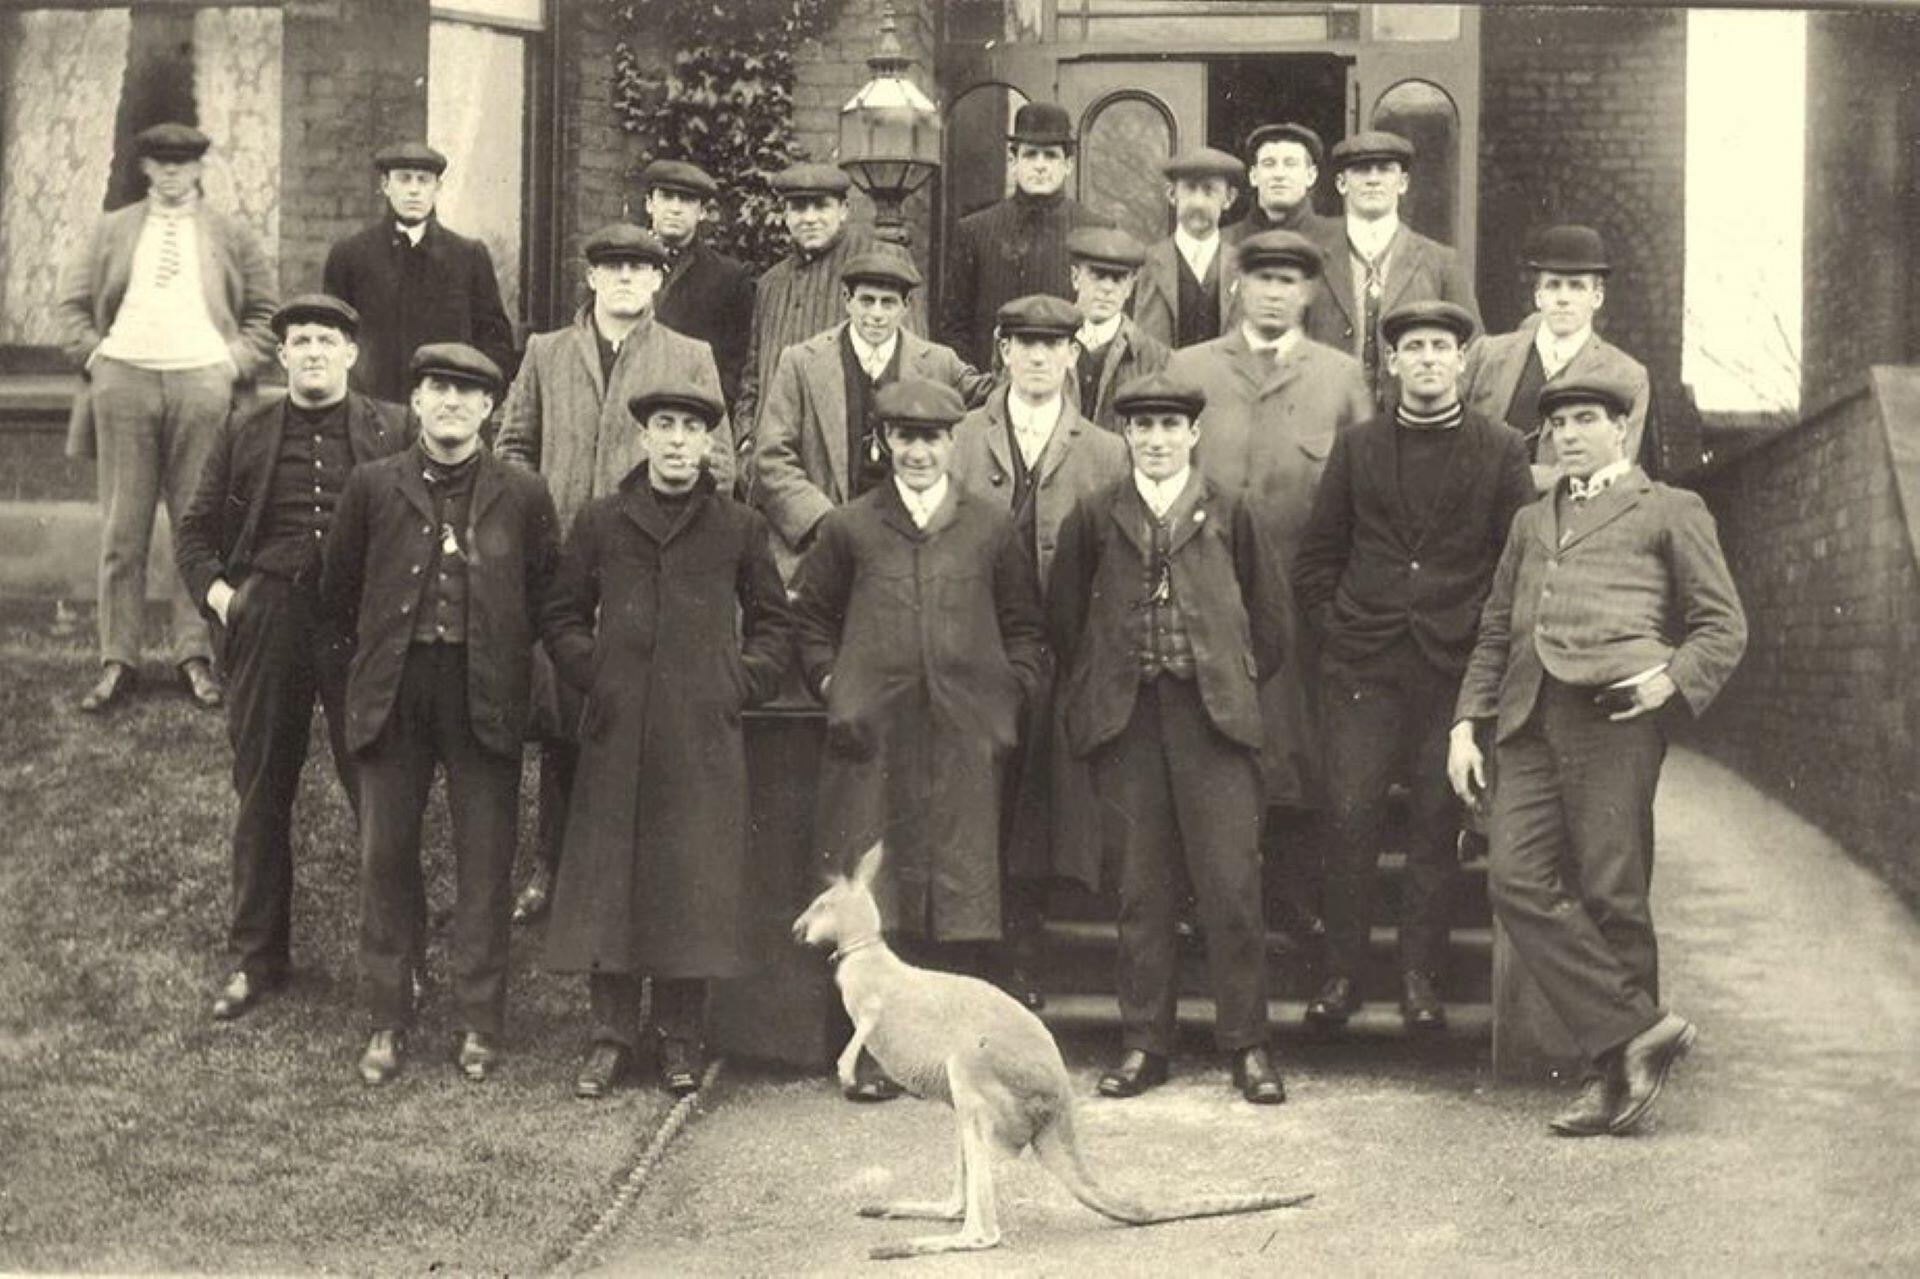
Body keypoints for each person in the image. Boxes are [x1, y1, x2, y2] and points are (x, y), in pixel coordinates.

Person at [1447, 374, 1746, 1136]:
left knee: (1613, 888)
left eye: (1587, 419)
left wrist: (1667, 684)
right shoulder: (1529, 520)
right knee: (1515, 879)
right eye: (1559, 424)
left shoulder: (1669, 509)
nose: (1570, 433)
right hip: (1526, 718)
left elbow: (1723, 625)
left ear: (1623, 427)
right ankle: (1637, 1030)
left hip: (1615, 717)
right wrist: (1464, 725)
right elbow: (1494, 629)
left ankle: (1612, 1075)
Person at [790, 378, 1047, 1101]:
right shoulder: (850, 527)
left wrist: (1007, 694)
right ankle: (871, 1053)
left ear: (951, 444)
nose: (918, 451)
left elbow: (1025, 627)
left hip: (964, 734)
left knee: (959, 885)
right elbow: (811, 624)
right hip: (876, 737)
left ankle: (956, 1055)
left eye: (932, 438)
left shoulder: (990, 526)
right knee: (880, 889)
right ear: (885, 443)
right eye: (904, 437)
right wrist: (836, 686)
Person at [321, 343, 564, 1087]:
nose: (451, 402)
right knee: (384, 857)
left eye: (467, 391)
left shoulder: (522, 493)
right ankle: (387, 1020)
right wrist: (361, 681)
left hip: (482, 690)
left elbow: (545, 597)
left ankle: (478, 1023)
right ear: (416, 401)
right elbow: (337, 594)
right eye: (437, 388)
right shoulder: (373, 485)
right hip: (395, 692)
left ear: (489, 407)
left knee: (485, 863)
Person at [543, 380, 791, 1100]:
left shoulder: (737, 527)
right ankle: (611, 1035)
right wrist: (597, 673)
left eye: (691, 428)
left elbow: (774, 624)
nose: (678, 440)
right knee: (611, 881)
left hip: (700, 735)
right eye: (664, 426)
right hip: (618, 734)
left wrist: (738, 682)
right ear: (643, 438)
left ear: (710, 443)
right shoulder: (601, 520)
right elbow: (560, 614)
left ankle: (681, 1036)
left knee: (691, 882)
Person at [1048, 371, 1292, 1104]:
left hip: (1213, 720)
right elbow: (1065, 622)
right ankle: (1143, 1043)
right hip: (1130, 724)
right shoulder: (1095, 517)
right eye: (1142, 427)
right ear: (1127, 436)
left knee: (1230, 886)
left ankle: (1247, 1046)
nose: (1156, 440)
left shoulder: (1231, 512)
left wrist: (1222, 674)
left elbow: (1272, 625)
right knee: (1142, 889)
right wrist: (1111, 681)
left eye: (1169, 427)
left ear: (1194, 434)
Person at [1292, 301, 1534, 1033]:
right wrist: (1342, 635)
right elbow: (1315, 562)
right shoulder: (1359, 446)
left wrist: (1479, 664)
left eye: (1441, 347)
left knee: (1434, 825)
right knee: (1350, 817)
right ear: (1391, 362)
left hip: (1453, 670)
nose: (1428, 359)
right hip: (1363, 667)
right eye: (1413, 347)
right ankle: (1341, 973)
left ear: (1462, 360)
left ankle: (1419, 978)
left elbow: (1515, 564)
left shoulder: (1500, 448)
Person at [176, 295, 410, 1021]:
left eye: (327, 339)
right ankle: (256, 957)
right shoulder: (246, 428)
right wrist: (225, 600)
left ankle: (400, 959)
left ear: (351, 353)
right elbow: (194, 532)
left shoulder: (392, 426)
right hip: (269, 616)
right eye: (300, 340)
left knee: (374, 789)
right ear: (282, 356)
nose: (313, 351)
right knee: (262, 786)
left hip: (355, 625)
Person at [494, 221, 733, 925]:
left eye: (641, 267)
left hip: (651, 561)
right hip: (566, 555)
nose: (627, 278)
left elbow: (718, 463)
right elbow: (513, 444)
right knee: (565, 709)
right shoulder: (547, 352)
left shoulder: (688, 355)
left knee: (641, 714)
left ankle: (637, 862)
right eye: (612, 266)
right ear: (591, 277)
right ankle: (550, 861)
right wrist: (538, 526)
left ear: (660, 280)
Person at [56, 121, 277, 714]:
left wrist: (232, 362)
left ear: (200, 169)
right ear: (146, 169)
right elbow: (71, 306)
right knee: (122, 529)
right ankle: (117, 660)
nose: (174, 173)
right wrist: (97, 357)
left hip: (203, 383)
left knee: (195, 527)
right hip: (124, 380)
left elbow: (265, 311)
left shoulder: (230, 233)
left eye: (185, 163)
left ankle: (194, 656)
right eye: (162, 162)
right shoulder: (112, 230)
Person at [949, 293, 1131, 1007]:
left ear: (1071, 355)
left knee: (1040, 800)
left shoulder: (1105, 451)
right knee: (975, 795)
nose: (1035, 357)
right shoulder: (961, 438)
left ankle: (1022, 952)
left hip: (1059, 653)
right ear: (1002, 352)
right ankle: (972, 953)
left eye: (1051, 345)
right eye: (1022, 342)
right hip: (973, 646)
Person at [1165, 229, 1370, 821]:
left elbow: (1362, 491)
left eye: (1287, 282)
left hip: (1299, 593)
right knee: (1204, 738)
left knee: (1293, 742)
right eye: (1262, 280)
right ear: (1238, 285)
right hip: (1205, 587)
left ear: (1307, 292)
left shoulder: (1340, 376)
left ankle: (1290, 889)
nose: (1274, 294)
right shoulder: (1191, 367)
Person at [752, 251, 986, 583]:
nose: (876, 314)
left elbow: (991, 400)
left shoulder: (937, 362)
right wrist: (825, 524)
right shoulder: (802, 362)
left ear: (905, 307)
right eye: (867, 301)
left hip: (911, 548)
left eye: (888, 303)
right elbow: (772, 458)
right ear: (847, 300)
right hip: (822, 546)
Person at [734, 162, 925, 448]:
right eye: (799, 207)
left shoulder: (882, 260)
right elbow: (753, 373)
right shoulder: (771, 283)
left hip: (844, 450)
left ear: (844, 210)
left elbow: (914, 360)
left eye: (821, 206)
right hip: (774, 450)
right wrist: (746, 436)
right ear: (785, 214)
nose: (809, 218)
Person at [1460, 224, 1653, 491]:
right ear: (1538, 296)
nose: (1563, 298)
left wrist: (1520, 477)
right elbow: (1451, 446)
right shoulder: (1487, 355)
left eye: (1576, 287)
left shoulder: (1626, 376)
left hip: (1567, 524)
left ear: (1597, 297)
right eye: (1553, 286)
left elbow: (1613, 473)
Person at [321, 141, 515, 403]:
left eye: (423, 181)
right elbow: (332, 339)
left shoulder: (468, 256)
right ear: (386, 186)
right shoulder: (350, 255)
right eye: (404, 180)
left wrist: (479, 401)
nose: (414, 190)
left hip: (448, 410)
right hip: (372, 413)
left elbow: (496, 345)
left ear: (437, 188)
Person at [1306, 131, 1480, 405]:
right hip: (1328, 425)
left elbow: (1473, 356)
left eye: (1385, 170)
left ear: (1402, 183)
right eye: (1361, 170)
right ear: (1341, 183)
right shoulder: (1312, 260)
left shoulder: (1442, 262)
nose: (1373, 179)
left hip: (1412, 426)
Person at [939, 102, 1113, 369]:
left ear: (1068, 165)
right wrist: (979, 388)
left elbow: (1107, 320)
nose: (1040, 166)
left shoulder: (1097, 232)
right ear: (1013, 162)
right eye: (1031, 155)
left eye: (1051, 156)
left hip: (1073, 388)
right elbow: (954, 327)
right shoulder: (975, 231)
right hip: (993, 392)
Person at [642, 159, 756, 410]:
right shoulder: (622, 266)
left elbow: (735, 362)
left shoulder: (728, 277)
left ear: (702, 211)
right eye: (667, 197)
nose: (675, 208)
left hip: (692, 413)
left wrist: (711, 409)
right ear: (650, 204)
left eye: (686, 200)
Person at [1132, 147, 1245, 350]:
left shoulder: (1244, 268)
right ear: (1172, 194)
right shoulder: (1143, 265)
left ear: (1229, 198)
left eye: (1209, 190)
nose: (1198, 202)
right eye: (1190, 189)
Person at [1062, 228, 1170, 429]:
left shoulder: (1153, 358)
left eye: (1118, 279)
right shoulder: (1049, 344)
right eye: (1097, 275)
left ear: (1130, 287)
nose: (1107, 288)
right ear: (1076, 278)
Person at [1226, 122, 1334, 244]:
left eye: (1290, 164)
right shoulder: (1225, 241)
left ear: (1311, 176)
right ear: (1253, 176)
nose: (1279, 174)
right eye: (1268, 164)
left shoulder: (1337, 240)